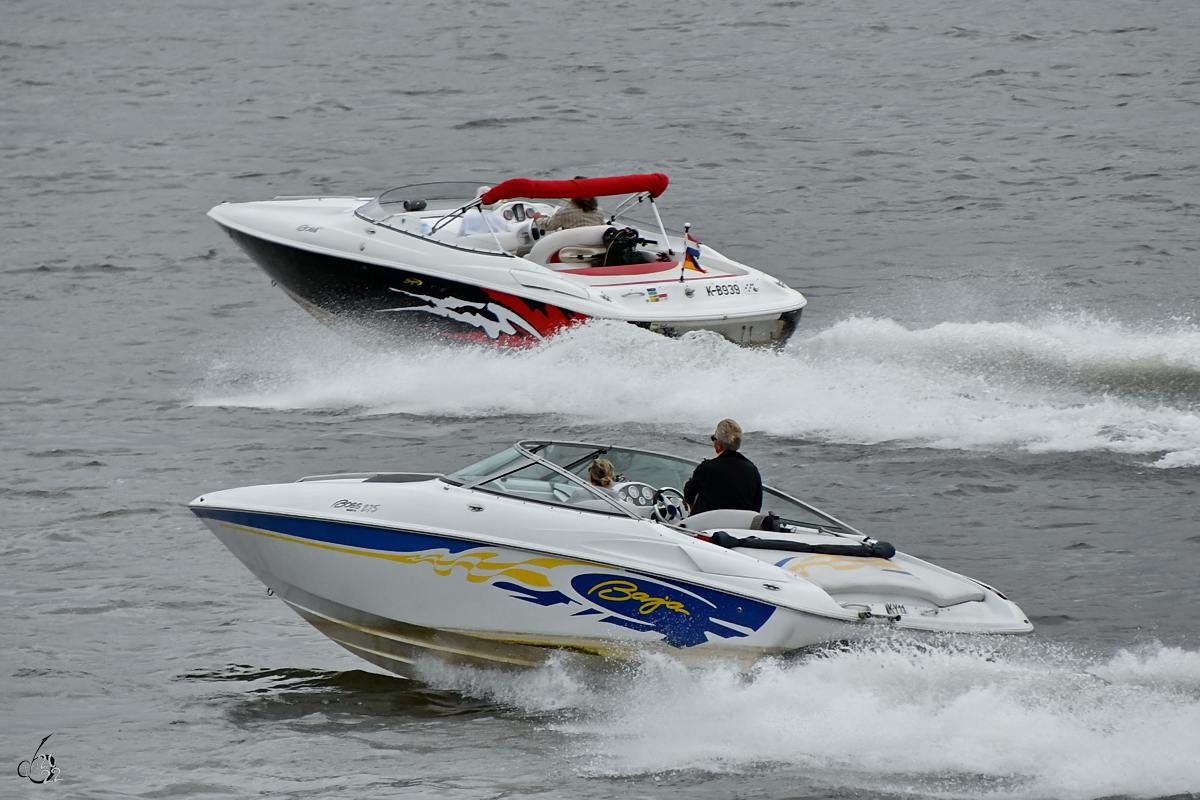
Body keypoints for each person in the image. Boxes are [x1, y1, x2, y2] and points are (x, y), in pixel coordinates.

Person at [683, 419, 763, 515]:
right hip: (740, 527)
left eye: (714, 439)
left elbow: (688, 495)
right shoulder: (752, 470)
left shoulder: (707, 468)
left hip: (707, 526)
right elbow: (757, 506)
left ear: (719, 445)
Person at [531, 176, 606, 231]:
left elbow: (548, 226)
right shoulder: (599, 212)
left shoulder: (564, 213)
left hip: (571, 249)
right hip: (593, 248)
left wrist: (538, 219)